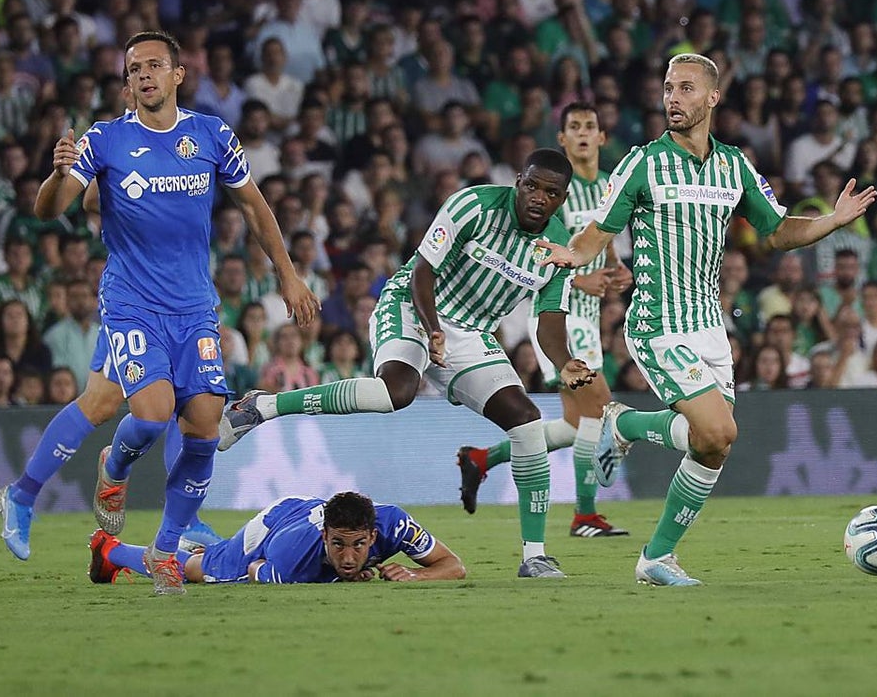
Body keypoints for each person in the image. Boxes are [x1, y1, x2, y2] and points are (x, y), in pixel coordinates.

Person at [0, 32, 319, 594]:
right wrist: (55, 174)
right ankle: (109, 473)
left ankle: (163, 544)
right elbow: (51, 210)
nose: (144, 74)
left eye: (154, 65)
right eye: (134, 68)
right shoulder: (105, 140)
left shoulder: (212, 135)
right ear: (126, 84)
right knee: (149, 412)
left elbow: (255, 208)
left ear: (177, 74)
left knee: (198, 421)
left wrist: (287, 273)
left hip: (194, 306)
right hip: (131, 304)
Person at [535, 53, 876, 585]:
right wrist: (571, 255)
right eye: (668, 87)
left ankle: (654, 552)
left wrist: (832, 220)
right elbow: (597, 232)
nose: (673, 97)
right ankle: (621, 427)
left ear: (712, 98)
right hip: (656, 323)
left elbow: (779, 231)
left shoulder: (734, 166)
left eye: (686, 89)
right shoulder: (642, 163)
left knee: (713, 444)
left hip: (709, 328)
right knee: (717, 427)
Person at [219, 149, 596, 578]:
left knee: (527, 422)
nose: (538, 197)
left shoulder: (559, 248)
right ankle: (263, 406)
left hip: (471, 334)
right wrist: (432, 328)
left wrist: (564, 361)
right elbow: (423, 271)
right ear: (517, 180)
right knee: (393, 393)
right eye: (531, 185)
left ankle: (534, 556)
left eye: (550, 192)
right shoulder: (472, 205)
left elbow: (549, 320)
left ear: (562, 199)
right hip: (414, 307)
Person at [456, 103, 632, 538]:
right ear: (563, 139)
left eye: (591, 126)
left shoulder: (611, 189)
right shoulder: (550, 193)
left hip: (591, 317)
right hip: (557, 316)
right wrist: (580, 281)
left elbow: (606, 248)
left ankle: (483, 458)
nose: (584, 134)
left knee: (577, 424)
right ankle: (584, 514)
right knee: (598, 408)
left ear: (602, 137)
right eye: (575, 127)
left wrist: (618, 271)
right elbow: (537, 261)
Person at [89, 491, 465, 585]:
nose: (349, 557)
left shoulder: (397, 523)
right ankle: (111, 549)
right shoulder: (291, 558)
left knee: (212, 556)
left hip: (306, 510)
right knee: (199, 571)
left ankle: (205, 543)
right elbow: (256, 570)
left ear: (374, 535)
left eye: (358, 545)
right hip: (272, 530)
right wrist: (338, 577)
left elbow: (454, 566)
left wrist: (418, 575)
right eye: (337, 545)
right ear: (324, 536)